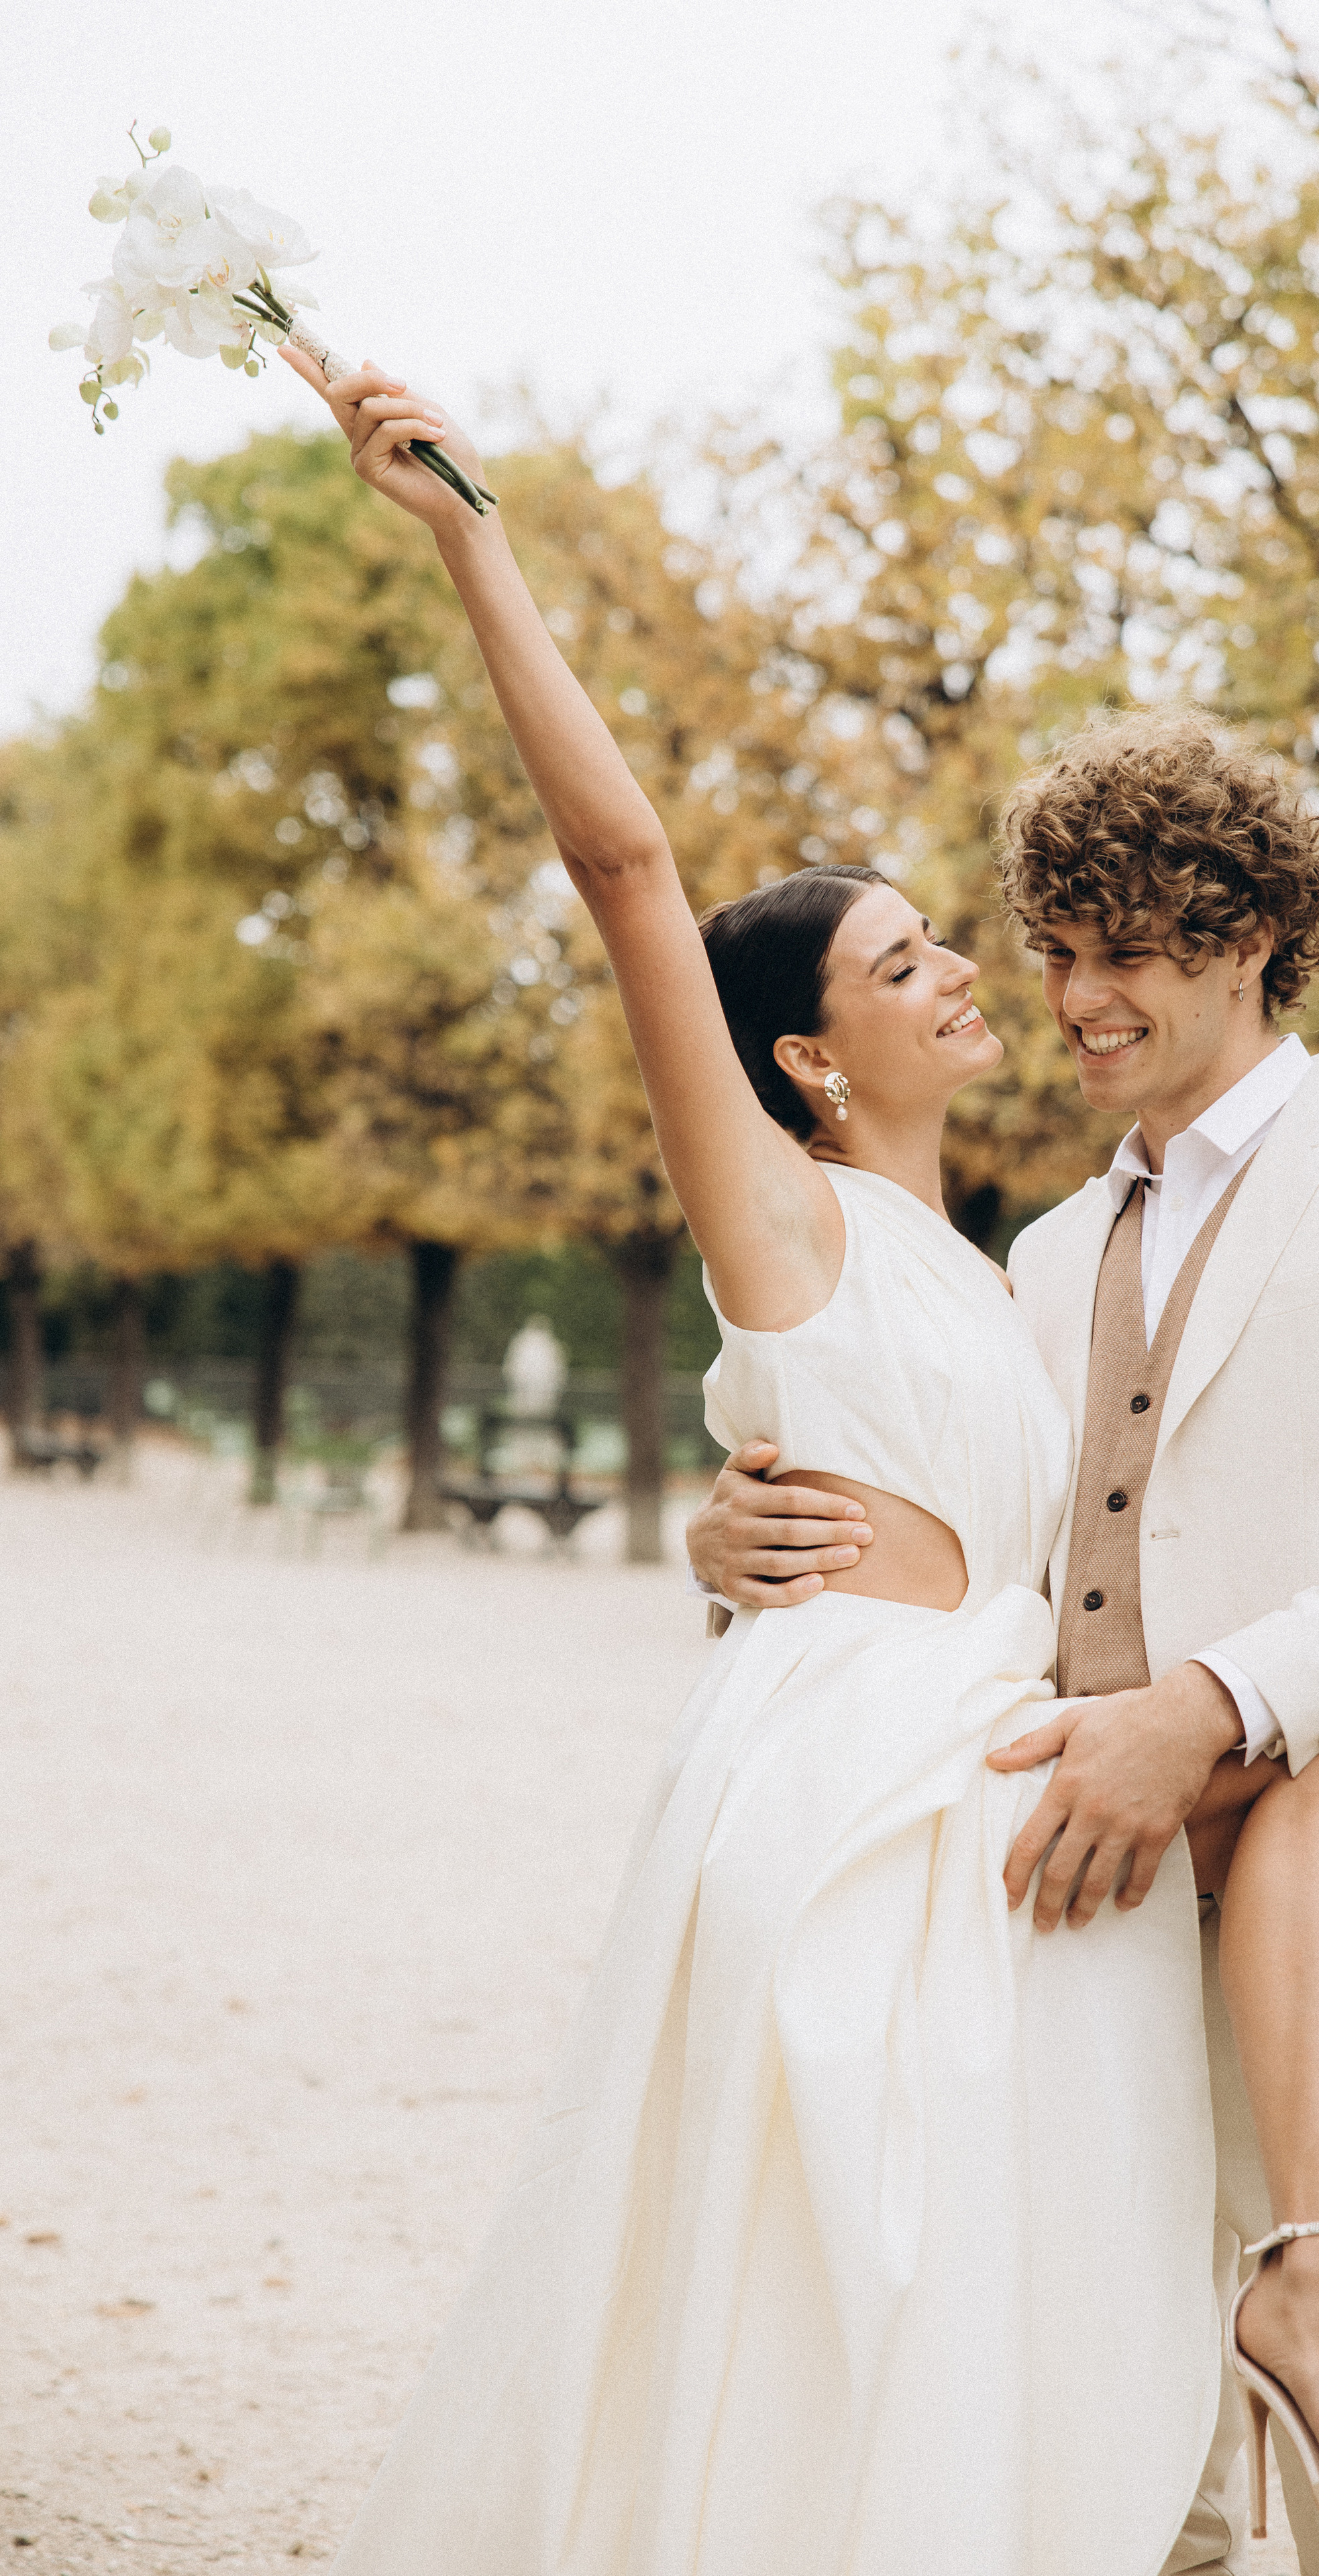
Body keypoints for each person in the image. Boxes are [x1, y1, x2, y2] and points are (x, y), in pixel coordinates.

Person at [284, 354, 1229, 2576]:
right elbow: (625, 870)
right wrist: (471, 535)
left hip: (1004, 1749)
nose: (962, 977)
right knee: (841, 2249)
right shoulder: (784, 1219)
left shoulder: (998, 1266)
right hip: (850, 1778)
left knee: (1016, 2251)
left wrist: (732, 1534)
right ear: (807, 1054)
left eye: (939, 942)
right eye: (906, 963)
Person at [689, 709, 1319, 2572]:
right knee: (1110, 2468)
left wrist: (1213, 1704)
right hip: (1063, 1924)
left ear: (1243, 939)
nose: (1077, 996)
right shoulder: (1051, 1252)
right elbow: (939, 1502)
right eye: (1058, 946)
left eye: (1126, 949)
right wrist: (734, 1535)